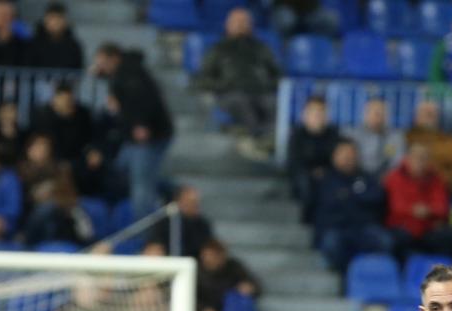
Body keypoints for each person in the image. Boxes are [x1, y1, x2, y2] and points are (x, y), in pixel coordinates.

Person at [92, 44, 174, 220]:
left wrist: (141, 124)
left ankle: (147, 228)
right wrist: (101, 74)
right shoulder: (124, 72)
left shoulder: (130, 74)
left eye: (103, 63)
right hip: (134, 138)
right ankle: (167, 192)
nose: (101, 66)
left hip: (146, 138)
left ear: (114, 58)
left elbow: (144, 99)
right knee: (120, 169)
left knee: (141, 188)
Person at [195, 7, 281, 154]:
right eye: (237, 22)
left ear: (251, 25)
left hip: (261, 91)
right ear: (228, 25)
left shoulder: (261, 48)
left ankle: (270, 139)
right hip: (230, 93)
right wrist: (224, 85)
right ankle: (260, 138)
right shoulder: (218, 49)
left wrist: (267, 84)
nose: (241, 25)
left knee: (273, 103)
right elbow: (203, 79)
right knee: (242, 103)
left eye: (244, 21)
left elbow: (277, 74)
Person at [313, 139, 389, 272]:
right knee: (332, 243)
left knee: (385, 241)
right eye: (343, 153)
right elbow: (328, 206)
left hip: (364, 227)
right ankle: (343, 274)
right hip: (336, 228)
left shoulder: (367, 177)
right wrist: (357, 197)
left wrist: (347, 196)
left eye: (351, 153)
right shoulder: (325, 179)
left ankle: (370, 273)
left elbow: (376, 199)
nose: (348, 157)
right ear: (334, 156)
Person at [384, 142, 452, 258]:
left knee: (449, 236)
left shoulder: (435, 179)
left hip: (428, 226)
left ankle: (442, 268)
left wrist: (428, 210)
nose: (420, 162)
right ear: (407, 158)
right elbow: (396, 207)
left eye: (424, 158)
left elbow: (443, 207)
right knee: (397, 239)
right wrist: (414, 210)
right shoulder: (394, 177)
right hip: (402, 227)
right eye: (416, 157)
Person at [287, 96, 340, 218]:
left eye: (321, 111)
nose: (318, 115)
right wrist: (311, 172)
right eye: (314, 112)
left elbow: (337, 159)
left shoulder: (334, 133)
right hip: (304, 176)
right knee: (305, 182)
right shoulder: (297, 135)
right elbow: (294, 162)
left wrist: (325, 171)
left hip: (329, 174)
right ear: (305, 114)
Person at [348, 98, 405, 178]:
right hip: (357, 176)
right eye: (376, 113)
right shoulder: (353, 135)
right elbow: (350, 160)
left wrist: (386, 177)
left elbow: (396, 162)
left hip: (385, 178)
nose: (380, 117)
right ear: (365, 114)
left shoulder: (395, 136)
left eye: (383, 114)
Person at [29, 2, 83, 69]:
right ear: (45, 20)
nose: (55, 22)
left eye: (59, 18)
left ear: (65, 21)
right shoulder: (33, 44)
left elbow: (78, 70)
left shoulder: (74, 46)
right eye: (52, 18)